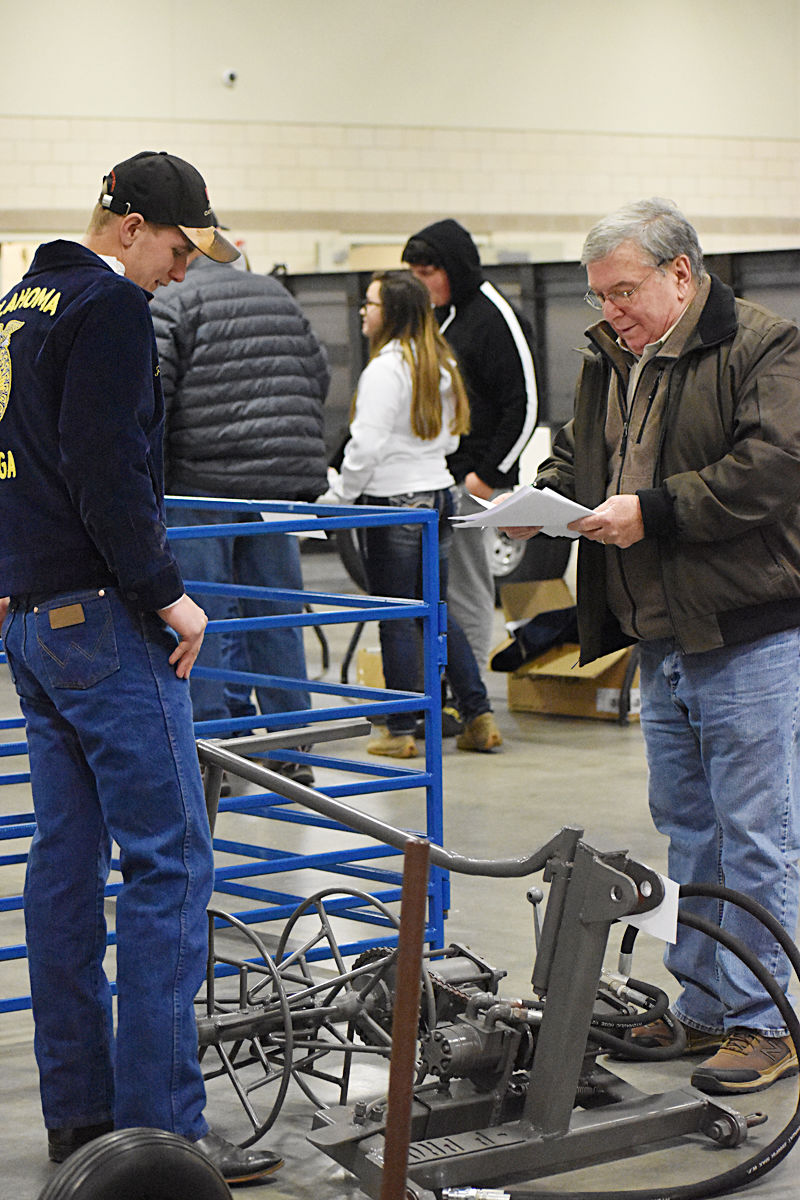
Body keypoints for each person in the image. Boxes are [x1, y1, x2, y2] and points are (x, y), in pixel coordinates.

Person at [0, 151, 283, 1181]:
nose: (181, 268)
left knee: (65, 866)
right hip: (103, 623)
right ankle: (164, 1135)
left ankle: (81, 1121)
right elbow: (104, 465)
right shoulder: (110, 306)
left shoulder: (17, 306)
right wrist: (166, 592)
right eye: (176, 246)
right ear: (128, 227)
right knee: (170, 862)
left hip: (33, 622)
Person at [506, 197, 800, 1096]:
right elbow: (580, 454)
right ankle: (704, 1006)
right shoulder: (611, 355)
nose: (610, 310)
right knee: (688, 832)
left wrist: (656, 511)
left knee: (757, 835)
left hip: (745, 631)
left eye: (624, 292)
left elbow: (772, 467)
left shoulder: (763, 346)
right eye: (600, 296)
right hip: (659, 636)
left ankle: (764, 1024)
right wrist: (537, 501)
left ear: (681, 273)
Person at [150, 247, 330, 785]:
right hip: (276, 486)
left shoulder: (172, 301)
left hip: (201, 484)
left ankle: (213, 755)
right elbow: (318, 374)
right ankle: (293, 745)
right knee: (276, 615)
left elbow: (153, 398)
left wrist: (152, 483)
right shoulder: (277, 295)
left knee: (199, 617)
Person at [320, 270, 502, 756]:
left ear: (393, 313)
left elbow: (365, 446)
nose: (364, 310)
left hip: (395, 501)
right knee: (434, 611)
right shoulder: (438, 362)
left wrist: (342, 494)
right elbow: (451, 440)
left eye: (372, 303)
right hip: (438, 493)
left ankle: (400, 730)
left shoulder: (386, 369)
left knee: (397, 614)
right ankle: (478, 715)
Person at [401, 219, 539, 678]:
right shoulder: (438, 316)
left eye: (427, 274)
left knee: (466, 590)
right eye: (414, 276)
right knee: (435, 592)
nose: (421, 285)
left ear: (453, 269)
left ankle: (472, 690)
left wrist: (487, 476)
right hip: (438, 476)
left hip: (473, 480)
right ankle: (446, 685)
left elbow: (525, 405)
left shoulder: (495, 317)